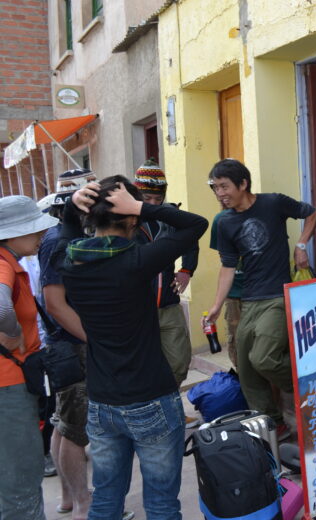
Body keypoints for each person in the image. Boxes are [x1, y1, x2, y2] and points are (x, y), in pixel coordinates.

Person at [57, 176, 207, 519]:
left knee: (107, 500)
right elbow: (196, 225)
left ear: (90, 218)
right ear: (133, 221)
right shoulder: (137, 261)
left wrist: (70, 207)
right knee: (161, 504)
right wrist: (141, 206)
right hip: (151, 397)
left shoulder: (71, 261)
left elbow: (67, 231)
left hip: (102, 401)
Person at [203, 159, 316, 437]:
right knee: (245, 365)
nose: (220, 193)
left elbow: (312, 213)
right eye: (215, 188)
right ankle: (274, 422)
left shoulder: (273, 202)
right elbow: (227, 267)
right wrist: (216, 307)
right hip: (250, 300)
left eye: (224, 186)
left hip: (279, 294)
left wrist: (301, 244)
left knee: (263, 358)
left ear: (243, 184)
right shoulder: (224, 222)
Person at [38, 168, 95, 520]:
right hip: (72, 344)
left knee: (64, 423)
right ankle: (84, 503)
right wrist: (94, 339)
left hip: (65, 343)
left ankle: (68, 498)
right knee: (75, 429)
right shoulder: (59, 241)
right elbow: (55, 302)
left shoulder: (59, 236)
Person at [0, 195, 58, 520]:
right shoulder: (3, 264)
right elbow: (1, 308)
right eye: (33, 230)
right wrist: (13, 331)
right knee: (21, 482)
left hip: (9, 384)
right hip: (8, 387)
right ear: (10, 234)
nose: (40, 236)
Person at [133, 160, 199, 388]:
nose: (152, 204)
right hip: (139, 309)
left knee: (179, 361)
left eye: (157, 199)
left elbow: (191, 240)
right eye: (147, 199)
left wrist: (186, 270)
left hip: (169, 305)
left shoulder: (171, 216)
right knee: (144, 366)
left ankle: (170, 405)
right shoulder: (125, 220)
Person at [208, 197, 244, 368]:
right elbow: (225, 261)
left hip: (259, 293)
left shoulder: (257, 216)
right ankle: (242, 382)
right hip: (233, 293)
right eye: (217, 189)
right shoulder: (220, 220)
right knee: (236, 341)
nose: (221, 194)